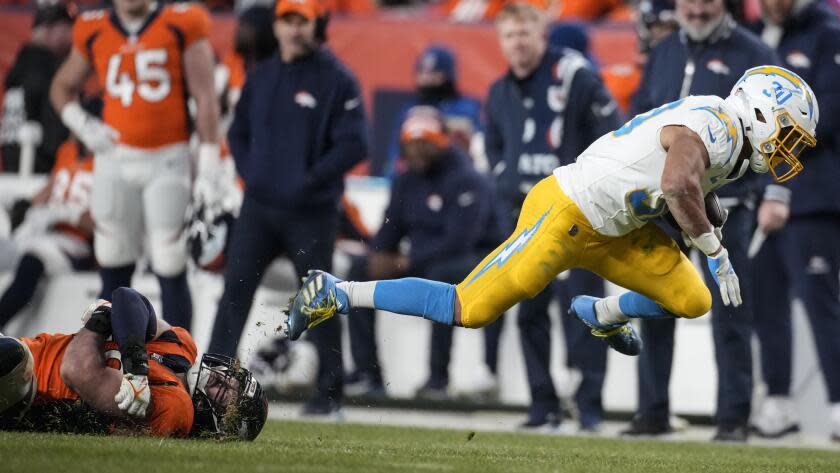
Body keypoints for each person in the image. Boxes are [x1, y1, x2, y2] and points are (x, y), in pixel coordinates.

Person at [285, 66, 819, 445]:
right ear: (761, 110)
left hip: (617, 230)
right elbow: (679, 184)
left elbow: (689, 186)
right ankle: (339, 291)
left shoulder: (731, 141)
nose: (790, 148)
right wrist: (715, 248)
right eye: (790, 133)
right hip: (566, 211)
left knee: (693, 299)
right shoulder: (721, 124)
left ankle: (603, 312)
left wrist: (711, 210)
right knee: (469, 307)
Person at [625, 0, 778, 442]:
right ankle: (651, 411)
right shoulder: (664, 50)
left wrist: (773, 192)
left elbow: (776, 132)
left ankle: (732, 418)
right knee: (655, 305)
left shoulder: (752, 53)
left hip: (729, 205)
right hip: (663, 202)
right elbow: (639, 118)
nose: (695, 8)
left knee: (731, 313)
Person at [206, 0, 368, 417]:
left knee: (320, 300)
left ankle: (330, 395)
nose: (294, 30)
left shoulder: (337, 79)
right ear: (276, 27)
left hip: (310, 212)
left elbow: (356, 144)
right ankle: (212, 386)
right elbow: (238, 132)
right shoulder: (262, 76)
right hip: (259, 207)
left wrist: (310, 180)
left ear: (316, 27)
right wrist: (251, 173)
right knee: (234, 293)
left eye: (302, 22)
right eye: (287, 21)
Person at [484, 3, 622, 431]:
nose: (518, 42)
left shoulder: (574, 75)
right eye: (509, 35)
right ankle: (542, 404)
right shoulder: (498, 91)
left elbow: (610, 131)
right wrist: (505, 180)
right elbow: (493, 146)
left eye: (525, 33)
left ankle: (590, 407)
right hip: (527, 219)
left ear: (543, 35)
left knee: (586, 310)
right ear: (501, 42)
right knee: (529, 313)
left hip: (578, 215)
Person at [49, 0, 221, 330]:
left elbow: (206, 96)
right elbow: (61, 87)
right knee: (112, 257)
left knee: (170, 259)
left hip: (167, 158)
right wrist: (83, 124)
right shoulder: (93, 27)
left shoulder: (180, 21)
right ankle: (107, 358)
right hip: (115, 160)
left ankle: (176, 363)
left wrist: (210, 162)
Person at [345, 107, 505, 400]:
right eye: (411, 142)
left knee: (441, 277)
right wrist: (378, 256)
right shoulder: (405, 181)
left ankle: (437, 379)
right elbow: (390, 231)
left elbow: (460, 240)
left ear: (442, 141)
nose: (417, 149)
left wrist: (405, 261)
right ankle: (368, 373)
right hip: (424, 258)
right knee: (359, 271)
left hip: (476, 261)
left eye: (425, 141)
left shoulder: (467, 178)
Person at [747, 0, 840, 442]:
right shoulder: (757, 33)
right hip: (758, 195)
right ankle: (778, 401)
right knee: (766, 304)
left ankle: (838, 403)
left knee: (822, 305)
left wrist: (778, 182)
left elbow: (826, 118)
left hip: (812, 197)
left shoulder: (827, 33)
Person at [0, 287, 267, 440]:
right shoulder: (181, 346)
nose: (226, 382)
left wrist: (100, 321)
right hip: (26, 352)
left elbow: (77, 370)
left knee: (10, 356)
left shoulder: (176, 407)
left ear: (224, 428)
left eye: (234, 398)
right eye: (235, 378)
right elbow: (129, 299)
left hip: (30, 393)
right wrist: (135, 366)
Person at [0, 134, 95, 331]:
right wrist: (26, 206)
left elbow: (103, 224)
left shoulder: (106, 161)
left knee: (30, 263)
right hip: (45, 233)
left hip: (76, 242)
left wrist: (67, 215)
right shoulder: (67, 149)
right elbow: (51, 185)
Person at [383, 46, 482, 177]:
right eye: (422, 73)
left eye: (434, 73)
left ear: (447, 75)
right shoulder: (410, 111)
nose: (426, 78)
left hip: (457, 176)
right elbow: (396, 157)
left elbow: (480, 148)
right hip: (419, 178)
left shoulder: (466, 108)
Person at [0, 3, 76, 174]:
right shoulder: (45, 68)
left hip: (10, 168)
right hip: (40, 172)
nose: (73, 36)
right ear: (49, 30)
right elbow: (55, 133)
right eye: (67, 29)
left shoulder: (20, 67)